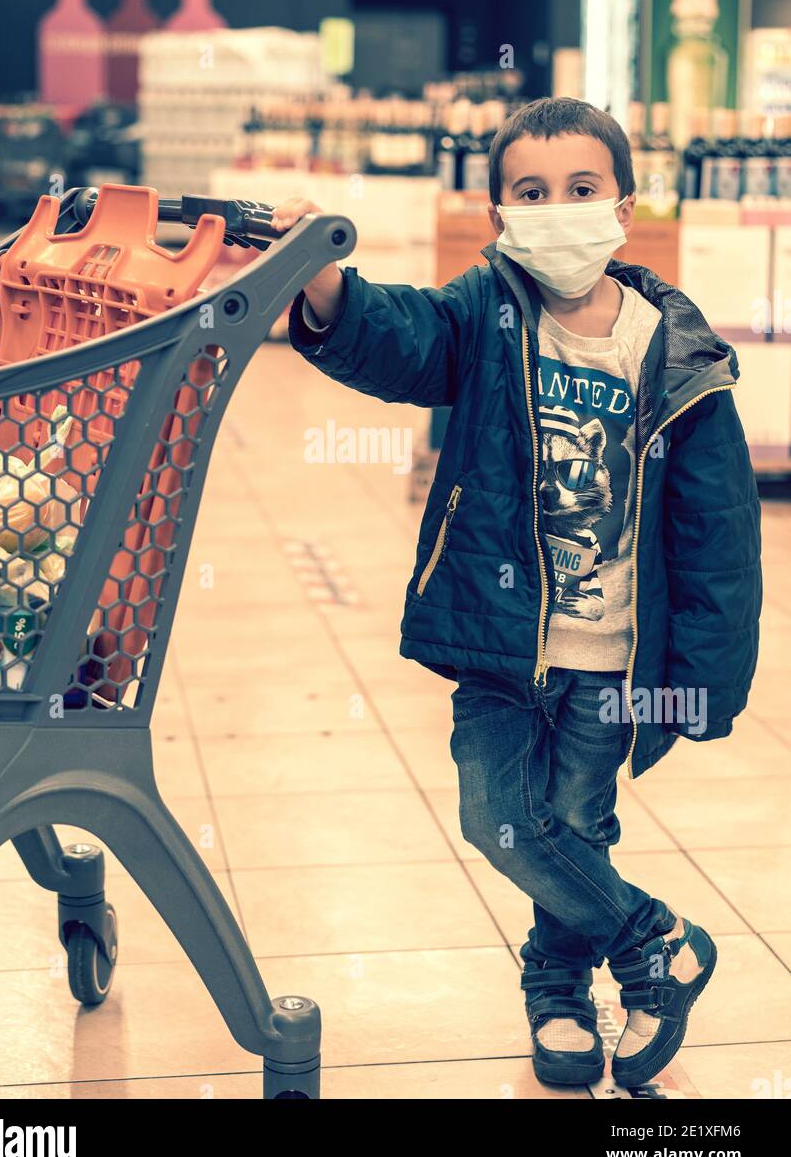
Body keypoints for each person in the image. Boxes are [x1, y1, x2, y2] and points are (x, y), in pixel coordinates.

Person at [279, 96, 762, 1090]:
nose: (556, 210)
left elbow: (714, 530)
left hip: (612, 652)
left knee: (573, 829)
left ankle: (554, 992)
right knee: (498, 816)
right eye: (529, 193)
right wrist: (325, 286)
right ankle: (655, 944)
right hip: (501, 642)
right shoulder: (484, 314)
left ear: (622, 206)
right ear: (498, 211)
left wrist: (706, 674)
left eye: (579, 189)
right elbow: (400, 336)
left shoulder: (676, 354)